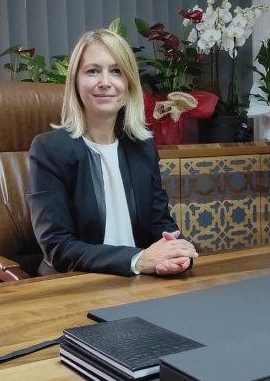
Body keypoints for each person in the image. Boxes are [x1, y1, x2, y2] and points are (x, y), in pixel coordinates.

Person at [27, 29, 198, 277]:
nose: (105, 82)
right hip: (74, 285)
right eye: (93, 71)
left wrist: (175, 253)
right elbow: (58, 247)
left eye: (116, 71)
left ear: (129, 84)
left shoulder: (142, 148)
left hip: (140, 283)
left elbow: (159, 223)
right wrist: (137, 260)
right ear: (75, 81)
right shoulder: (49, 150)